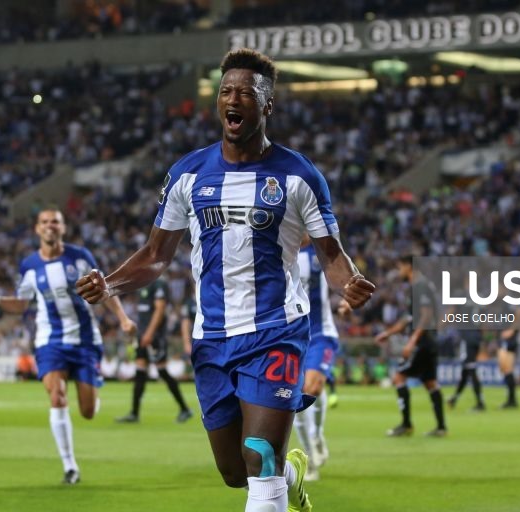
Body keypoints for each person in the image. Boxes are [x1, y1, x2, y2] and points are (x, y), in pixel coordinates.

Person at [76, 48, 375, 512]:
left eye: (246, 93)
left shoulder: (299, 176)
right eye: (226, 91)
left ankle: (278, 472)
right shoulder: (188, 174)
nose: (233, 99)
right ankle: (292, 474)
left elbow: (331, 256)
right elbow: (157, 254)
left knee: (260, 459)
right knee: (235, 471)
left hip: (276, 330)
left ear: (267, 105)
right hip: (212, 338)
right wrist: (109, 284)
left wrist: (349, 281)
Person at [0, 208, 137, 485]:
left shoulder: (80, 257)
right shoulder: (29, 265)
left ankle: (88, 388)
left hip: (85, 341)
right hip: (50, 341)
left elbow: (104, 289)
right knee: (57, 397)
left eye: (56, 222)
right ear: (37, 229)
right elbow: (21, 303)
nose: (50, 226)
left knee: (88, 412)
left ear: (63, 228)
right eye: (45, 222)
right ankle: (70, 466)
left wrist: (123, 319)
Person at [292, 237, 351, 481]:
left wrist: (347, 298)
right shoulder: (278, 251)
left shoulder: (321, 253)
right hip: (287, 337)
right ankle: (308, 455)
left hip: (319, 333)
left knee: (312, 387)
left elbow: (343, 278)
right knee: (294, 399)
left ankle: (316, 435)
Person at [375, 255, 447, 438]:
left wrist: (412, 341)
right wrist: (388, 333)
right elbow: (409, 319)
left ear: (408, 266)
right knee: (430, 382)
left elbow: (425, 316)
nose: (399, 271)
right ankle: (441, 427)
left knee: (399, 377)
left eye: (400, 266)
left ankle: (406, 425)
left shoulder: (420, 286)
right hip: (429, 340)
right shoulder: (420, 286)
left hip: (422, 341)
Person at [115, 276, 193, 424]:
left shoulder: (159, 283)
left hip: (155, 336)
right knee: (140, 372)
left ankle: (185, 409)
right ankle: (134, 413)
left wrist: (150, 333)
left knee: (162, 371)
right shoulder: (142, 283)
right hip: (142, 334)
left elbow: (160, 309)